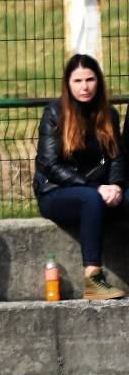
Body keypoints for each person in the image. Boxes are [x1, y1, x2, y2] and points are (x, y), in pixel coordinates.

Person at [34, 53, 127, 299]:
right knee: (90, 199)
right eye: (78, 81)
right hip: (56, 191)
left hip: (99, 190)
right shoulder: (54, 114)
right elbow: (50, 165)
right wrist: (94, 188)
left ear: (99, 82)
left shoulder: (109, 114)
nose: (84, 87)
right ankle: (93, 279)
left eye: (90, 79)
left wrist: (116, 185)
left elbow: (117, 156)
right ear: (68, 84)